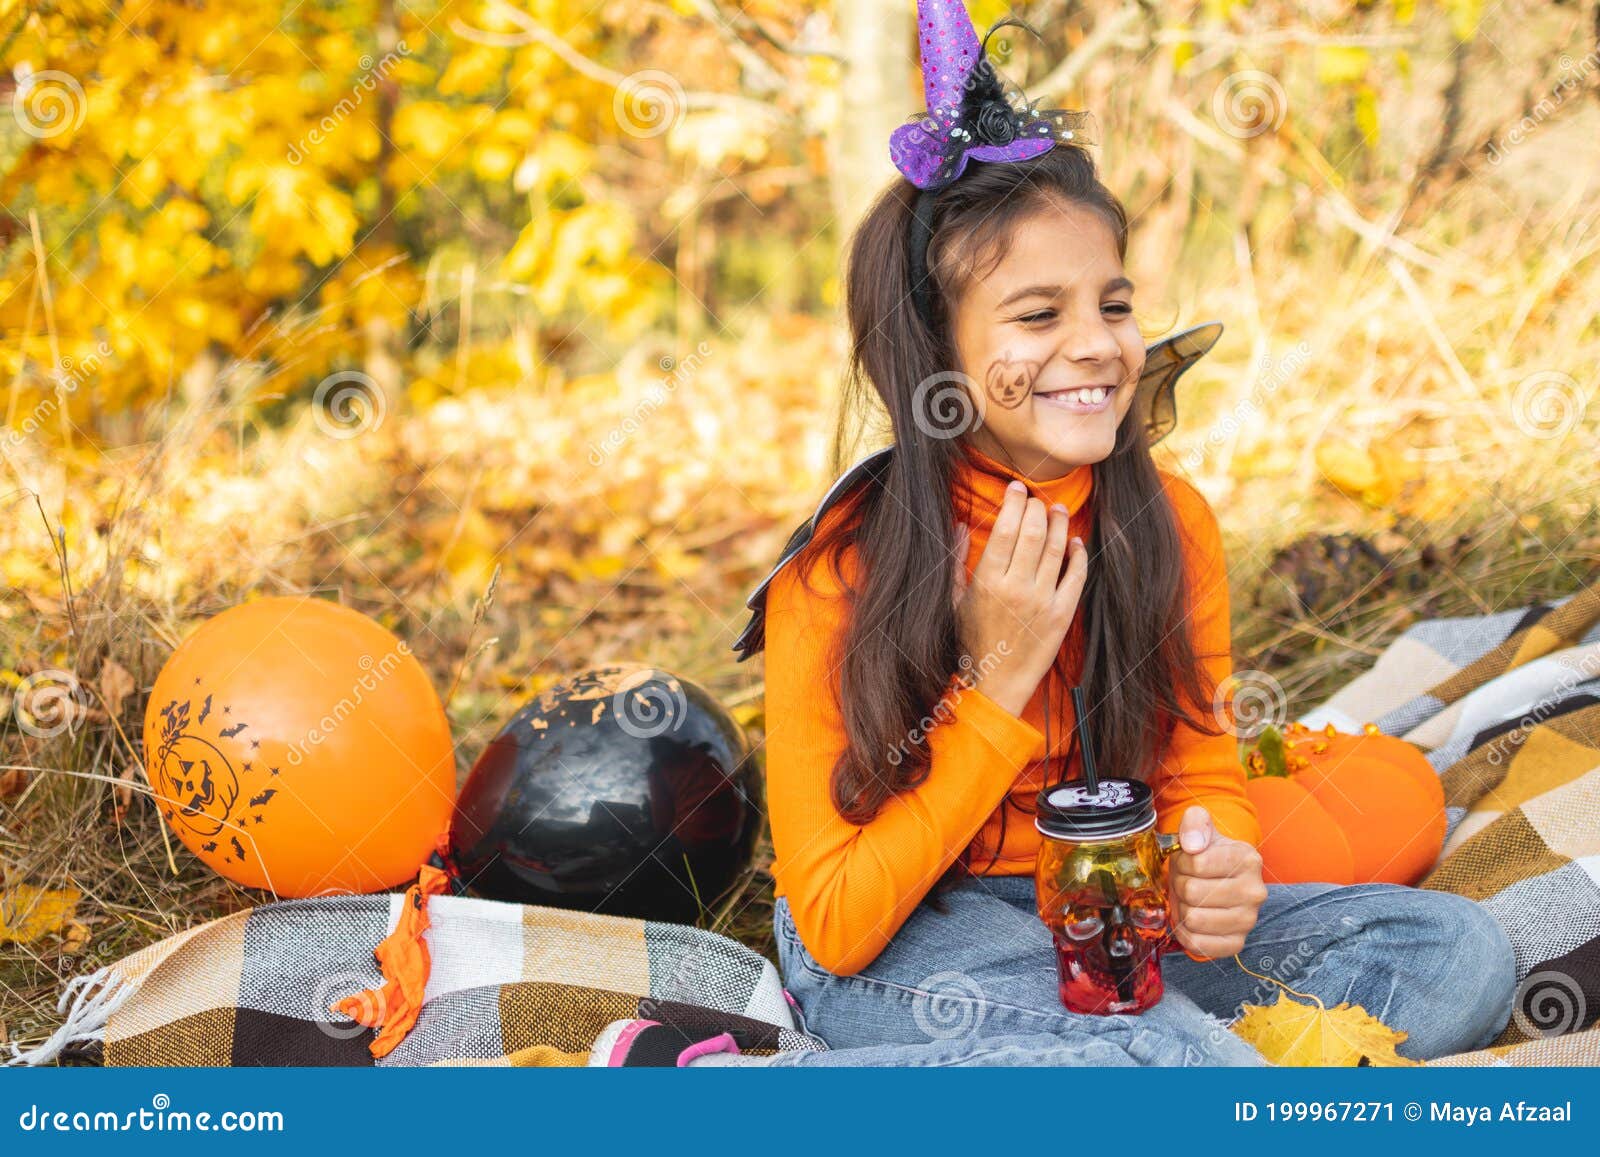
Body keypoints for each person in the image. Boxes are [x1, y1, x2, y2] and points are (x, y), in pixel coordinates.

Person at [589, 0, 1516, 1068]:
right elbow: (840, 916)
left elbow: (1198, 765)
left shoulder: (1166, 523)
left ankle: (1099, 1077)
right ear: (932, 351)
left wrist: (1216, 859)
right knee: (1170, 1058)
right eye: (1037, 316)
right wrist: (994, 678)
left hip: (1109, 904)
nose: (1095, 346)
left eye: (1112, 305)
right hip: (911, 934)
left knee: (1457, 952)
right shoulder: (842, 571)